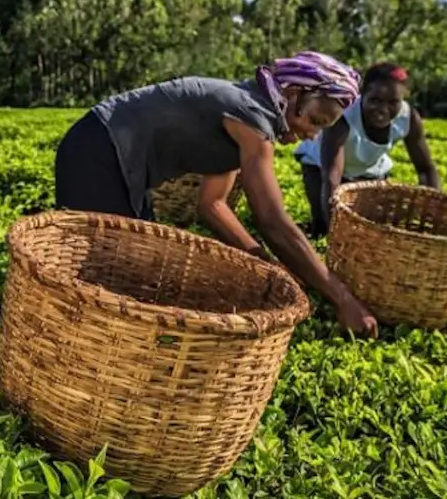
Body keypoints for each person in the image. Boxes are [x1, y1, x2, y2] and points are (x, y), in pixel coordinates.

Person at [54, 52, 379, 339]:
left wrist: (266, 265)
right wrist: (343, 299)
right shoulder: (252, 114)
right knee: (112, 274)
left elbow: (213, 205)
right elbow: (273, 221)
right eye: (315, 120)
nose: (313, 132)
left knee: (136, 269)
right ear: (293, 93)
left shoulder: (247, 112)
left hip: (121, 167)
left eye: (322, 128)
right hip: (97, 151)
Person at [294, 62, 441, 237]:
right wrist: (336, 232)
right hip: (320, 169)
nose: (382, 110)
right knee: (324, 228)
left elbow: (425, 169)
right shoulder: (343, 117)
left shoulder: (408, 118)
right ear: (362, 94)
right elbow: (332, 177)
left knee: (373, 230)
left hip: (368, 172)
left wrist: (434, 214)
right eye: (375, 100)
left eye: (393, 102)